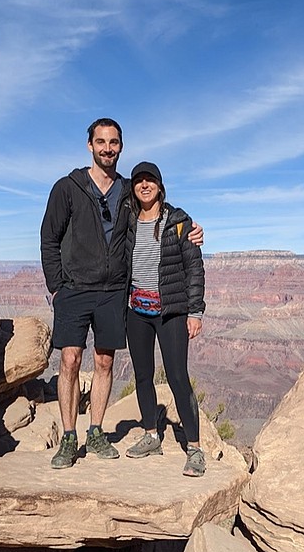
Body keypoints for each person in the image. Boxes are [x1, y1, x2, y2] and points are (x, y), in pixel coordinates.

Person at [40, 119, 202, 470]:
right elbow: (49, 238)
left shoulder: (128, 190)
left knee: (104, 362)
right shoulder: (67, 188)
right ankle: (70, 437)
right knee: (69, 361)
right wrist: (55, 287)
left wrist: (190, 228)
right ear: (90, 146)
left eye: (113, 142)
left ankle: (95, 431)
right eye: (101, 142)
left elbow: (161, 208)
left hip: (114, 291)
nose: (107, 148)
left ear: (120, 148)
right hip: (73, 289)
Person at [123, 161, 207, 477]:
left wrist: (195, 311)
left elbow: (195, 269)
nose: (144, 185)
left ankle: (195, 448)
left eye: (150, 180)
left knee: (177, 377)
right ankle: (150, 435)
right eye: (139, 181)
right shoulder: (128, 221)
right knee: (143, 376)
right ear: (133, 187)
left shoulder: (179, 222)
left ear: (160, 185)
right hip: (136, 312)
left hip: (171, 311)